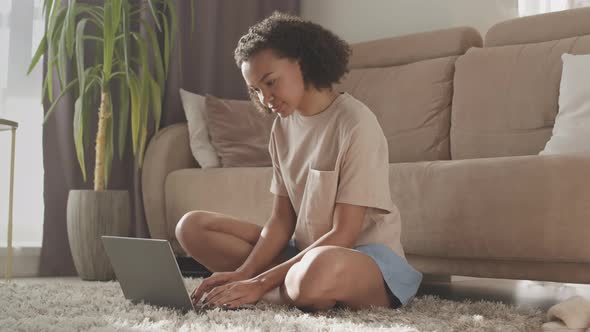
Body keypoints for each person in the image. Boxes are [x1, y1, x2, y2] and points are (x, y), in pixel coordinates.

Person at [175, 12, 423, 313]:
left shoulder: (356, 124)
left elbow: (344, 234)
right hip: (304, 251)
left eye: (270, 82)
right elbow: (281, 221)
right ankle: (276, 288)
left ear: (302, 62)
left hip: (360, 258)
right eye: (256, 90)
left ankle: (272, 291)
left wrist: (259, 282)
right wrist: (244, 273)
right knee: (191, 227)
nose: (265, 99)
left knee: (313, 274)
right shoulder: (282, 127)